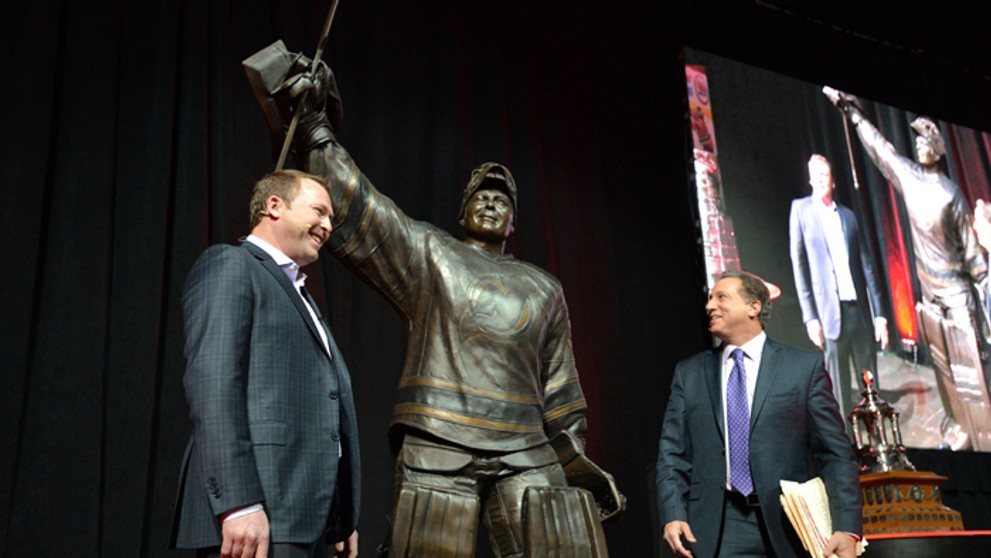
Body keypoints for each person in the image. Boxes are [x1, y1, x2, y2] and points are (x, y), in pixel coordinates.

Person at [241, 43, 621, 558]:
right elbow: (365, 208)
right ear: (462, 212)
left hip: (527, 447)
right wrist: (315, 129)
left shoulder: (545, 287)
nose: (490, 202)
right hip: (439, 437)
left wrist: (575, 459)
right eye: (480, 197)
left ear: (515, 223)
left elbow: (561, 387)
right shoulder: (431, 251)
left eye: (502, 201)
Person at [169, 170, 361, 558]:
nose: (327, 225)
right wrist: (238, 503)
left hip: (301, 517)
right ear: (275, 206)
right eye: (319, 211)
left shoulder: (300, 294)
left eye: (331, 219)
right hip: (256, 515)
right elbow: (213, 385)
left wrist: (340, 515)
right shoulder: (231, 265)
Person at [824, 87, 989, 450]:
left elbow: (976, 262)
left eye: (927, 137)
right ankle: (960, 432)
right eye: (917, 139)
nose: (920, 144)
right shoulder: (911, 179)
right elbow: (882, 151)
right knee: (947, 380)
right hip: (930, 303)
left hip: (958, 301)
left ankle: (982, 437)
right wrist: (853, 114)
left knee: (974, 383)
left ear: (940, 147)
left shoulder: (950, 194)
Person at [657, 271, 862, 558]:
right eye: (709, 299)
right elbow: (672, 454)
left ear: (753, 306)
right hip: (719, 528)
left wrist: (846, 526)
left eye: (721, 297)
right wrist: (672, 514)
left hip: (792, 525)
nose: (709, 306)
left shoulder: (803, 368)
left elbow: (836, 454)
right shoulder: (689, 374)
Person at [789, 154, 888, 420]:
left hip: (858, 310)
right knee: (839, 386)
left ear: (832, 180)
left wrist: (879, 314)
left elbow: (867, 266)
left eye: (826, 174)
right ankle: (844, 441)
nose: (822, 179)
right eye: (816, 175)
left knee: (870, 377)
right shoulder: (800, 210)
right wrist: (810, 317)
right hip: (828, 313)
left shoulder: (849, 216)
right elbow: (799, 268)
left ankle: (877, 428)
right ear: (810, 179)